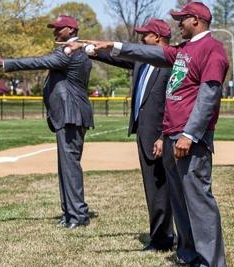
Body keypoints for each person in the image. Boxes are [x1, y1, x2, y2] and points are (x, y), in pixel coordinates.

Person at [64, 2, 228, 266]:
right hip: (174, 135)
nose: (178, 24)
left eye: (182, 19)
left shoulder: (212, 49)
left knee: (199, 202)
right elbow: (150, 53)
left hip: (190, 139)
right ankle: (188, 254)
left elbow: (209, 96)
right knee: (180, 201)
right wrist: (113, 46)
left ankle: (211, 261)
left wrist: (190, 134)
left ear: (196, 20)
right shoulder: (183, 49)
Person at [0, 15, 94, 229]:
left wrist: (5, 63)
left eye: (58, 29)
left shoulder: (70, 51)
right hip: (68, 115)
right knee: (65, 166)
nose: (54, 32)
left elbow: (40, 61)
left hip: (72, 115)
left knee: (70, 167)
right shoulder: (72, 49)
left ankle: (78, 215)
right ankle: (70, 212)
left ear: (70, 29)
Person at [89, 19, 175, 252]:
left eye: (145, 35)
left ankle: (163, 239)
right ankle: (162, 235)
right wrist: (92, 50)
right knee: (153, 188)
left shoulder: (170, 63)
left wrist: (163, 136)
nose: (141, 38)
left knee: (160, 188)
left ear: (157, 37)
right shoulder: (142, 61)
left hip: (158, 136)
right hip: (144, 133)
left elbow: (172, 105)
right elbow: (116, 57)